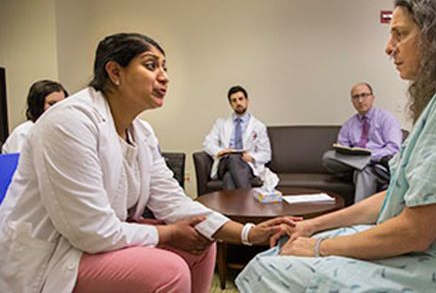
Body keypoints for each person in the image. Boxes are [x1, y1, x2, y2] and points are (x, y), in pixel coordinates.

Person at [236, 0, 436, 292]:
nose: (388, 47)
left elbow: (415, 231)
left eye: (400, 34)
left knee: (268, 266)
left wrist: (320, 247)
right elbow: (405, 195)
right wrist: (314, 225)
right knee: (302, 240)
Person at [0, 33, 298, 293]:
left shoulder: (141, 132)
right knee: (169, 272)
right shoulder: (69, 122)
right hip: (58, 253)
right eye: (151, 65)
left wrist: (247, 233)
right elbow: (90, 232)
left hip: (96, 239)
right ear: (115, 72)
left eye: (165, 67)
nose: (165, 76)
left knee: (201, 245)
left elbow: (172, 200)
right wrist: (165, 234)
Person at [323, 82, 402, 203]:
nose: (360, 100)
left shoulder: (387, 118)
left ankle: (356, 218)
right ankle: (363, 163)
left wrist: (372, 157)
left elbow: (394, 148)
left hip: (380, 166)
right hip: (352, 168)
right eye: (356, 97)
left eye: (364, 95)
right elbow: (341, 150)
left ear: (372, 97)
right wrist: (355, 157)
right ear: (352, 101)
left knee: (365, 171)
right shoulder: (349, 124)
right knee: (328, 157)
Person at [202, 86, 274, 190]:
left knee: (229, 178)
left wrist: (251, 158)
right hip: (225, 162)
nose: (238, 103)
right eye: (234, 100)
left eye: (241, 99)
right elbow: (207, 144)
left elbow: (266, 154)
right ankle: (248, 198)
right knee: (233, 157)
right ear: (231, 104)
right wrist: (222, 151)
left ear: (247, 101)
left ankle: (231, 206)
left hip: (247, 165)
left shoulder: (258, 126)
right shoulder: (220, 123)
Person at [2, 79, 68, 154]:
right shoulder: (23, 133)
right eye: (52, 104)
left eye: (63, 103)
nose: (59, 108)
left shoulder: (63, 130)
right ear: (38, 105)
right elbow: (18, 163)